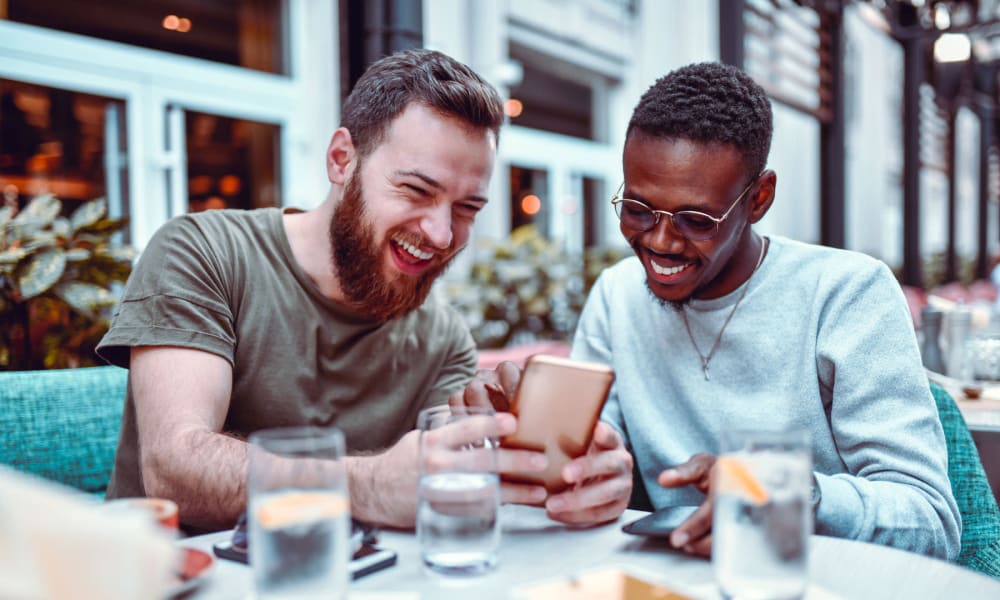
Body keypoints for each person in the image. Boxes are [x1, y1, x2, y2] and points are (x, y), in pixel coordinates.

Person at [96, 49, 626, 531]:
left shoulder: (441, 337)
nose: (442, 235)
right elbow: (174, 469)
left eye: (467, 209)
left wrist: (557, 475)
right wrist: (366, 484)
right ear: (341, 160)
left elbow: (449, 475)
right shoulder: (204, 253)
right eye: (416, 189)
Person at [460, 62, 961, 560]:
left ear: (759, 198)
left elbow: (931, 522)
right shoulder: (617, 295)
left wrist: (782, 493)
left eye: (696, 220)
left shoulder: (847, 294)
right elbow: (599, 459)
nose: (658, 242)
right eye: (637, 210)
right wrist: (540, 449)